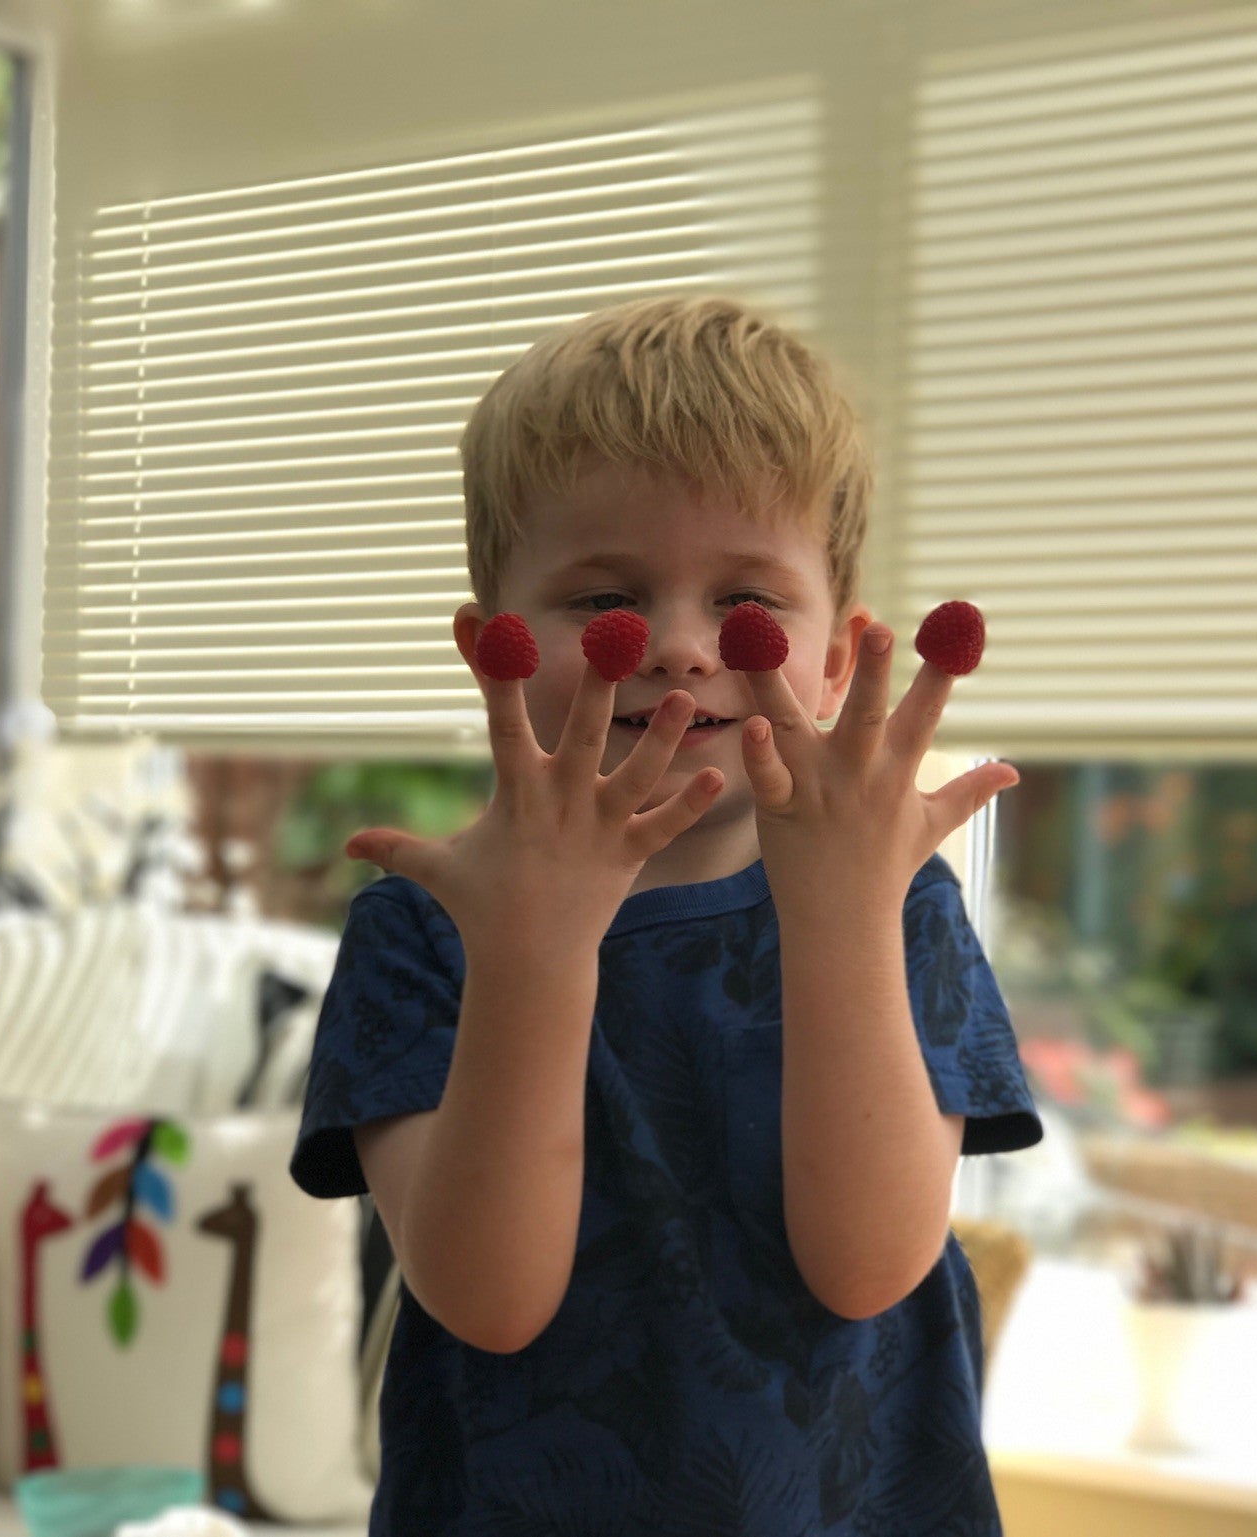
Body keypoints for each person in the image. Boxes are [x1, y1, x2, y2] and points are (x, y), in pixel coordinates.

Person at [290, 294, 1044, 1535]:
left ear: (840, 662)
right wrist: (535, 950)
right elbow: (486, 1298)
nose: (684, 650)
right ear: (492, 646)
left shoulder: (898, 903)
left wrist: (842, 916)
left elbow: (867, 1265)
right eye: (607, 603)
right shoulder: (426, 930)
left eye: (748, 601)